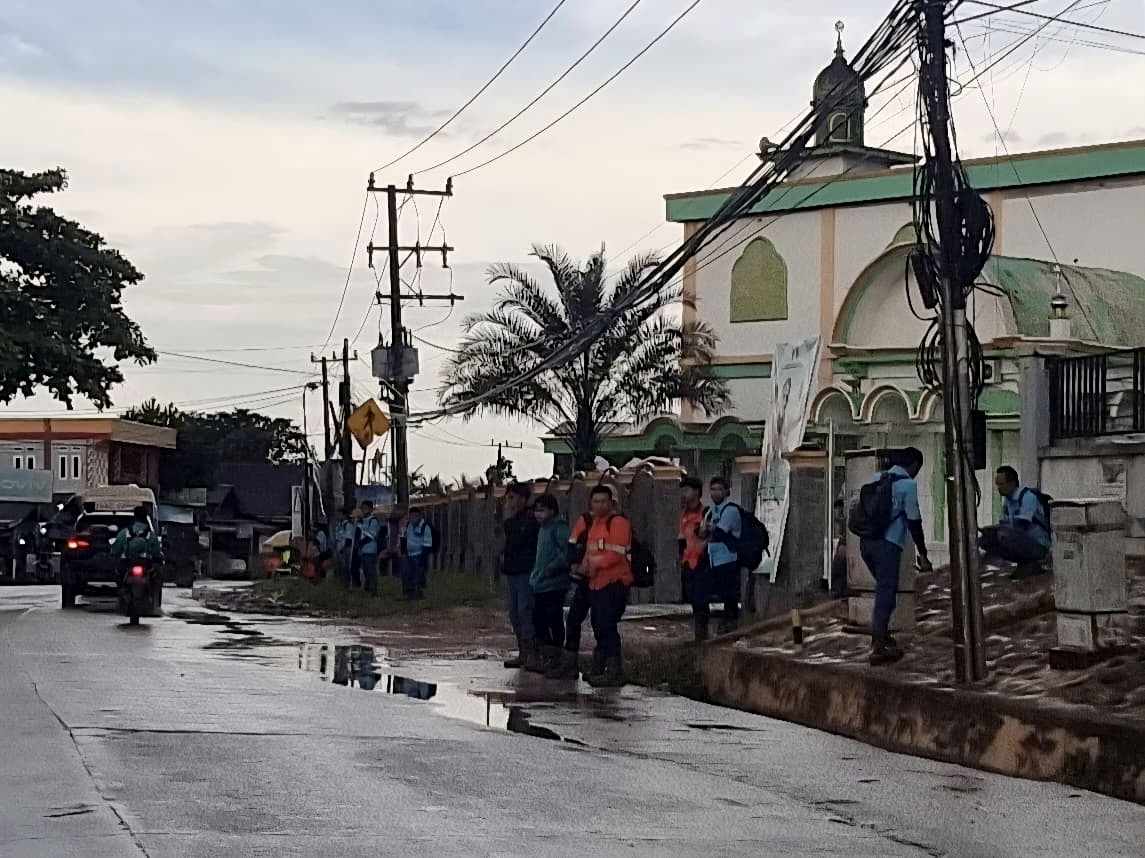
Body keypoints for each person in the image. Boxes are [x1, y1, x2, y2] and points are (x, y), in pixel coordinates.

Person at [859, 447, 933, 666]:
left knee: (884, 590)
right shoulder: (907, 485)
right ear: (913, 466)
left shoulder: (876, 478)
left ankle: (881, 635)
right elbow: (914, 521)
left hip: (866, 543)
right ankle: (878, 647)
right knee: (886, 593)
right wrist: (923, 553)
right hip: (888, 545)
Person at [569, 485, 633, 687]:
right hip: (596, 583)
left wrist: (593, 565)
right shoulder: (595, 524)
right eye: (596, 501)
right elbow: (590, 551)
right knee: (598, 625)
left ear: (611, 502)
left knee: (607, 625)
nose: (600, 505)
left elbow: (616, 554)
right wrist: (583, 568)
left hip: (615, 582)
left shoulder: (618, 522)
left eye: (603, 501)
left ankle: (614, 671)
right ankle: (602, 667)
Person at [979, 466, 1051, 577]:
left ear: (1011, 483)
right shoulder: (1007, 502)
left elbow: (1020, 525)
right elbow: (1005, 523)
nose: (998, 488)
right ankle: (1023, 563)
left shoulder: (1027, 497)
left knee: (1005, 535)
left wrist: (997, 529)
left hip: (1038, 545)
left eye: (1001, 484)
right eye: (997, 484)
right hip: (1022, 541)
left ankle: (1033, 562)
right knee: (985, 540)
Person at [528, 494, 571, 674]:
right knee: (538, 619)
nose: (538, 514)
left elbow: (567, 552)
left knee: (553, 619)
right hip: (540, 583)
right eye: (536, 510)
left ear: (552, 511)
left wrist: (553, 567)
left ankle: (556, 655)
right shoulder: (543, 529)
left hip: (555, 584)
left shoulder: (559, 528)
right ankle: (546, 654)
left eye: (542, 510)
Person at [695, 477, 742, 640]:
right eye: (713, 489)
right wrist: (707, 529)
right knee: (708, 594)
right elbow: (701, 532)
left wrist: (708, 529)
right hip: (713, 558)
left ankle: (731, 629)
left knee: (729, 596)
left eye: (719, 489)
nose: (715, 493)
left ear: (727, 491)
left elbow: (719, 532)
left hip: (728, 558)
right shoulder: (710, 511)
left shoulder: (730, 511)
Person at [501, 483, 540, 670]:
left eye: (513, 498)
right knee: (514, 613)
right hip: (512, 571)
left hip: (526, 571)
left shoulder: (530, 519)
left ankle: (532, 654)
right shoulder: (511, 520)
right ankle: (523, 652)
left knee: (526, 612)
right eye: (508, 498)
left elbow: (522, 541)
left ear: (524, 499)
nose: (509, 502)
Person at [678, 476, 707, 619]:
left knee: (701, 599)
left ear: (696, 492)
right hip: (687, 561)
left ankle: (702, 636)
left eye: (687, 490)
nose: (684, 494)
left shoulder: (705, 513)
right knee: (692, 599)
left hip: (701, 560)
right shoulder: (684, 514)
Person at [400, 507, 432, 599]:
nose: (412, 518)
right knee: (406, 573)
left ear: (419, 516)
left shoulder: (425, 527)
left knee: (418, 575)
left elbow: (427, 544)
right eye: (411, 516)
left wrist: (423, 557)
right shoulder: (408, 525)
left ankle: (419, 593)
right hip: (409, 554)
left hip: (419, 555)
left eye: (415, 516)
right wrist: (403, 552)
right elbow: (404, 538)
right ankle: (408, 593)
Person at [357, 501, 383, 595]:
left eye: (365, 508)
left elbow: (371, 535)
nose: (363, 510)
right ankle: (367, 588)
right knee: (365, 570)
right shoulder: (363, 520)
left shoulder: (373, 520)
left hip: (370, 549)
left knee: (370, 570)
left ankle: (373, 590)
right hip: (363, 550)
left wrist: (361, 543)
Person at [335, 509, 357, 588]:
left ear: (344, 515)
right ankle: (341, 583)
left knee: (346, 567)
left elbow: (348, 539)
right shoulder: (339, 525)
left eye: (340, 514)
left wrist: (342, 549)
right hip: (340, 548)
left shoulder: (348, 525)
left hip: (346, 549)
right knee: (341, 567)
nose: (338, 516)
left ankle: (347, 584)